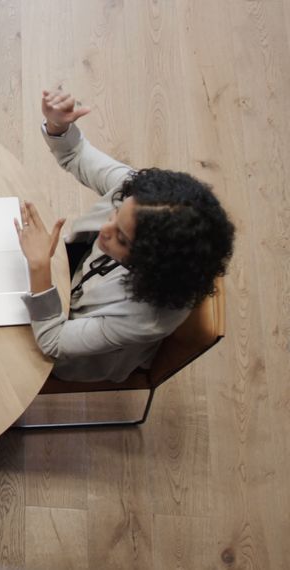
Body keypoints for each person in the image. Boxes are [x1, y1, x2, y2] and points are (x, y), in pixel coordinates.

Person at [13, 88, 235, 383]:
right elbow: (76, 153)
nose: (104, 230)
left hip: (64, 349)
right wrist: (59, 125)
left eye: (122, 239)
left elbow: (53, 340)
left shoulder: (146, 317)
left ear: (150, 265)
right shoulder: (141, 198)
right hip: (64, 283)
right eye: (117, 213)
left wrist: (40, 268)